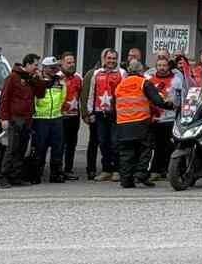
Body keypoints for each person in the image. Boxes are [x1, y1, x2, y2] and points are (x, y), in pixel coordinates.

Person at [113, 66, 175, 188]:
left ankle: (126, 179)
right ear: (141, 72)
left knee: (127, 152)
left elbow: (114, 103)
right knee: (147, 149)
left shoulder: (120, 85)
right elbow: (157, 101)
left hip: (122, 124)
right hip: (140, 122)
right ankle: (141, 174)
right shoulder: (143, 83)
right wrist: (171, 106)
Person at [0, 54, 49, 189]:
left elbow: (40, 94)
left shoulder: (30, 78)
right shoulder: (13, 78)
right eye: (35, 65)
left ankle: (16, 176)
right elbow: (4, 99)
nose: (36, 68)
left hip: (27, 119)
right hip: (15, 118)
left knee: (22, 149)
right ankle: (4, 176)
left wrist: (38, 80)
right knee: (12, 149)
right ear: (27, 64)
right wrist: (4, 118)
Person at [85, 49, 124, 181]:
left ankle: (117, 170)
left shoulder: (122, 73)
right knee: (103, 142)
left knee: (115, 142)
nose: (111, 61)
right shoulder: (96, 73)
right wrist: (90, 111)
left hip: (115, 113)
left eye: (114, 58)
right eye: (109, 58)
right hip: (99, 113)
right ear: (104, 59)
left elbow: (124, 93)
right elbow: (91, 93)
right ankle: (106, 169)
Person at [30, 60, 70, 183]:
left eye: (55, 68)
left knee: (58, 148)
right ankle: (36, 174)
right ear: (45, 68)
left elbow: (63, 97)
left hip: (56, 118)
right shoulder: (37, 81)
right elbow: (33, 99)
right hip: (41, 119)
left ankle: (56, 174)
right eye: (51, 68)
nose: (54, 70)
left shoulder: (60, 81)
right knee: (39, 148)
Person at [146, 56, 183, 181]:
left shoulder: (176, 80)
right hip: (155, 119)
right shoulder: (149, 79)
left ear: (169, 66)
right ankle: (155, 171)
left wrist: (174, 103)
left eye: (164, 65)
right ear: (156, 67)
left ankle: (168, 170)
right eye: (159, 65)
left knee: (170, 146)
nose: (162, 68)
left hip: (170, 118)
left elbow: (179, 98)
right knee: (156, 146)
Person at [54, 53, 82, 181]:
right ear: (62, 64)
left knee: (71, 144)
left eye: (73, 62)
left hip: (74, 116)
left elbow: (82, 95)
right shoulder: (57, 78)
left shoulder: (78, 78)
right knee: (60, 144)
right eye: (68, 62)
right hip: (61, 117)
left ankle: (68, 169)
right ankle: (57, 170)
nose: (71, 65)